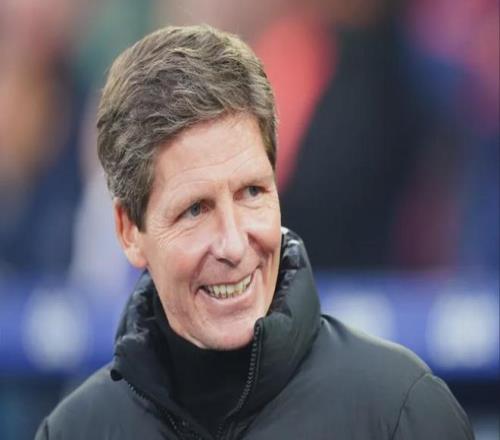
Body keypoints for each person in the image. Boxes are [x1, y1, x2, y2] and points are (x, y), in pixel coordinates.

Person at [35, 25, 474, 439]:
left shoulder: (399, 413)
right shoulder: (76, 431)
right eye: (195, 210)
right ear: (129, 231)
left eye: (251, 192)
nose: (233, 243)